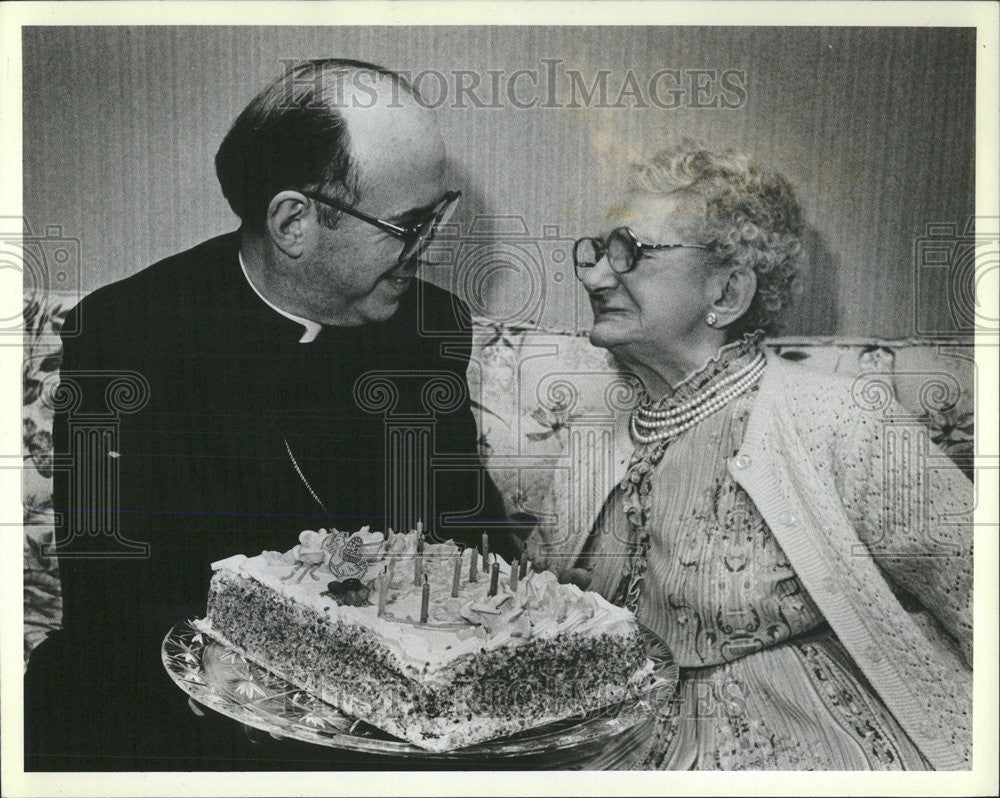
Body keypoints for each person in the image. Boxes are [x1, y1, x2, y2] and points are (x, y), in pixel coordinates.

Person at [24, 59, 515, 771]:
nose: (430, 250)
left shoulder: (430, 327)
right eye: (408, 225)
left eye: (436, 215)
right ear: (293, 221)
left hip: (372, 712)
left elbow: (462, 532)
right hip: (166, 704)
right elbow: (111, 585)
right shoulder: (124, 332)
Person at [545, 143, 972, 769]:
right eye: (598, 251)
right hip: (617, 735)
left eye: (630, 252)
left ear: (727, 291)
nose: (597, 276)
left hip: (809, 741)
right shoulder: (590, 435)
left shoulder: (842, 419)